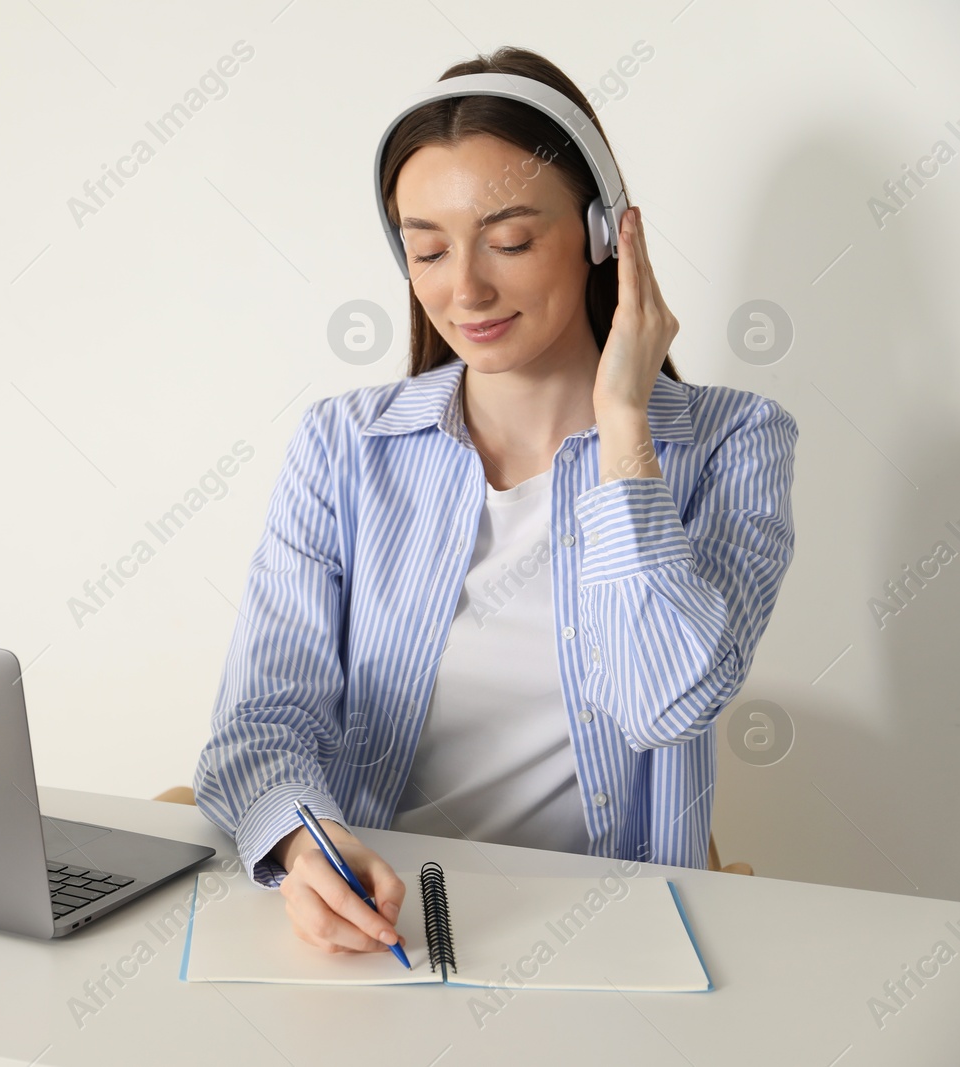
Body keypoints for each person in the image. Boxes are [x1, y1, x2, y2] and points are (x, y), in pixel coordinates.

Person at [192, 45, 798, 958]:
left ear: (604, 235)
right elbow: (262, 722)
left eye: (509, 241)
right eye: (427, 248)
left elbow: (666, 702)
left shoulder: (733, 443)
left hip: (603, 950)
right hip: (378, 935)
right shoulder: (343, 446)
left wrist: (623, 426)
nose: (464, 287)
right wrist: (301, 843)